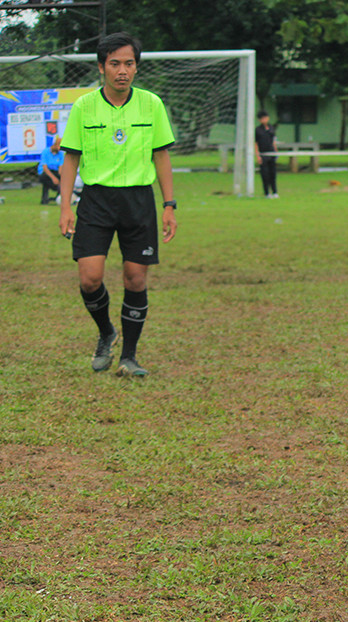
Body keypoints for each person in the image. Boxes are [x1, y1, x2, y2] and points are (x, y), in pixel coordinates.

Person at [58, 32, 177, 378]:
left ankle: (129, 356)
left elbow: (161, 156)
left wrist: (169, 205)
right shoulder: (84, 107)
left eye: (128, 63)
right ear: (101, 67)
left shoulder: (151, 104)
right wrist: (65, 207)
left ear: (136, 68)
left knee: (135, 278)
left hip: (138, 200)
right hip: (95, 200)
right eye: (114, 63)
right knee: (90, 278)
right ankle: (106, 332)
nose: (122, 70)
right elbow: (70, 159)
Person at [254, 109, 278, 199]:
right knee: (265, 174)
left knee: (273, 174)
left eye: (266, 118)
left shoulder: (271, 128)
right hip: (263, 154)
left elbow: (273, 141)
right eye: (262, 118)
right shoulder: (258, 130)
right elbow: (255, 143)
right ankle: (267, 193)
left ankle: (275, 192)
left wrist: (276, 151)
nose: (264, 120)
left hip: (271, 153)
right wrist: (258, 155)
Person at [38, 136, 64, 205]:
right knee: (45, 178)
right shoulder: (45, 152)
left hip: (55, 171)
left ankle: (55, 198)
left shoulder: (61, 154)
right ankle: (49, 197)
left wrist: (61, 179)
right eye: (58, 145)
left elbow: (60, 169)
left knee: (61, 181)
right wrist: (54, 179)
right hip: (45, 172)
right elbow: (45, 168)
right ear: (54, 144)